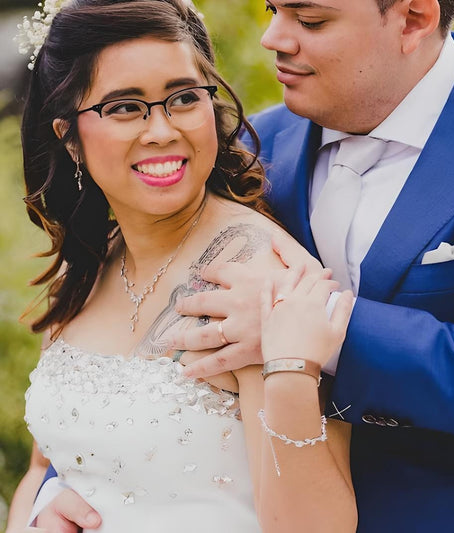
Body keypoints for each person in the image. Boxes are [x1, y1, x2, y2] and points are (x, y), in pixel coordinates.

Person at [20, 0, 454, 531]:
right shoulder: (253, 151)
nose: (273, 38)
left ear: (413, 18)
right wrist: (55, 493)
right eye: (272, 9)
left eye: (310, 20)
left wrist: (331, 331)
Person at [5, 1, 357, 532]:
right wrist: (35, 513)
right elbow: (43, 466)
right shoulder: (90, 265)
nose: (162, 130)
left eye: (184, 98)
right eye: (124, 107)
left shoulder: (258, 272)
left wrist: (289, 367)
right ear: (69, 137)